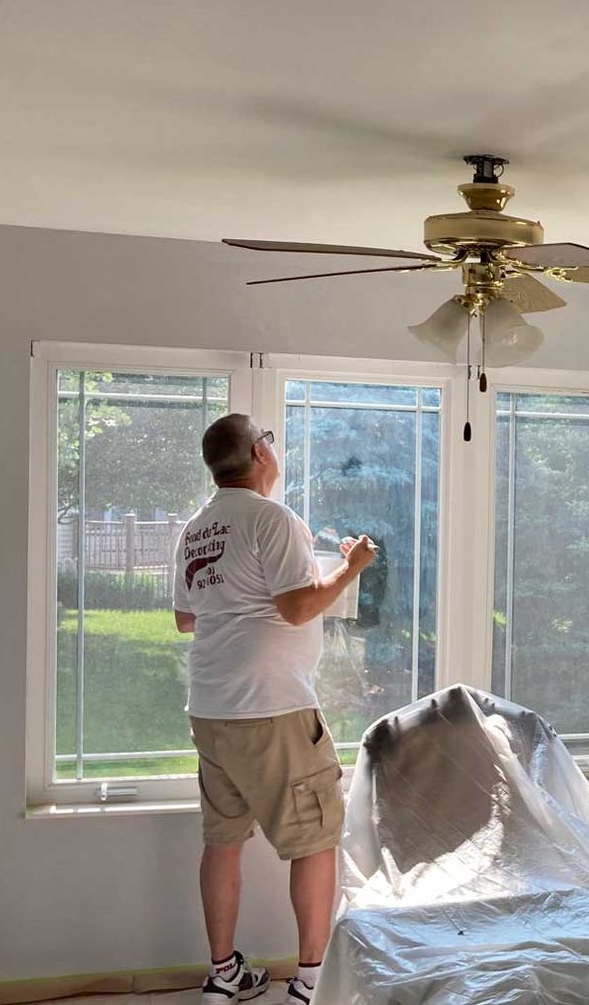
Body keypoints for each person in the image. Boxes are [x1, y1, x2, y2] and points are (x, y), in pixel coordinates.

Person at [172, 414, 377, 1005]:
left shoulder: (196, 529)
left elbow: (189, 618)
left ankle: (223, 975)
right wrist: (351, 566)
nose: (273, 447)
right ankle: (311, 981)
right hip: (273, 707)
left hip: (211, 709)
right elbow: (295, 608)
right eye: (269, 439)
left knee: (223, 840)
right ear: (259, 454)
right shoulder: (273, 519)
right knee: (314, 840)